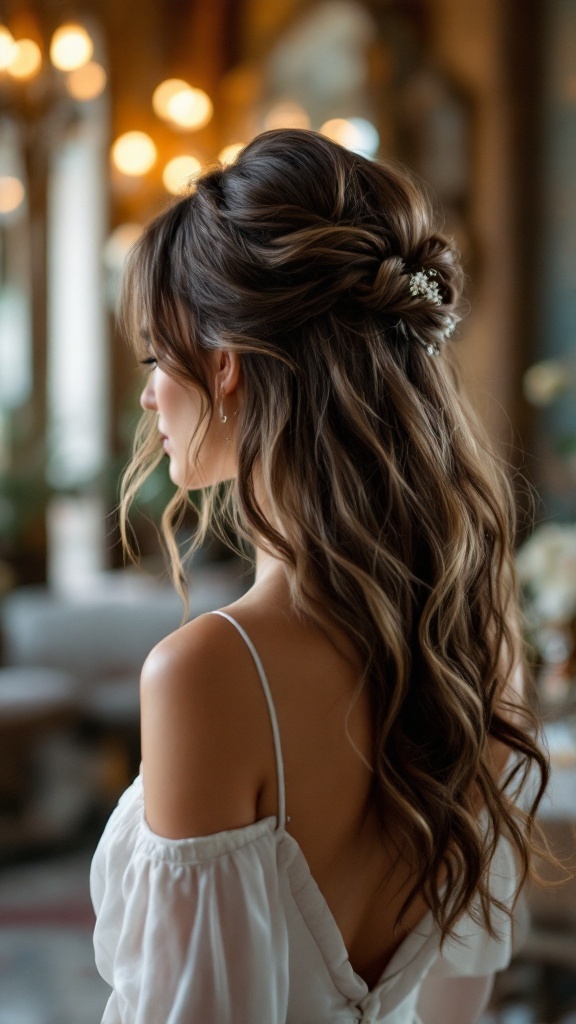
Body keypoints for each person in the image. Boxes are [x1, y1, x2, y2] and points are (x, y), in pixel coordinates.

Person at [90, 128, 548, 1024]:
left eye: (155, 358)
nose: (149, 396)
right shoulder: (479, 637)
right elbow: (463, 997)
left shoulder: (208, 674)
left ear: (225, 368)